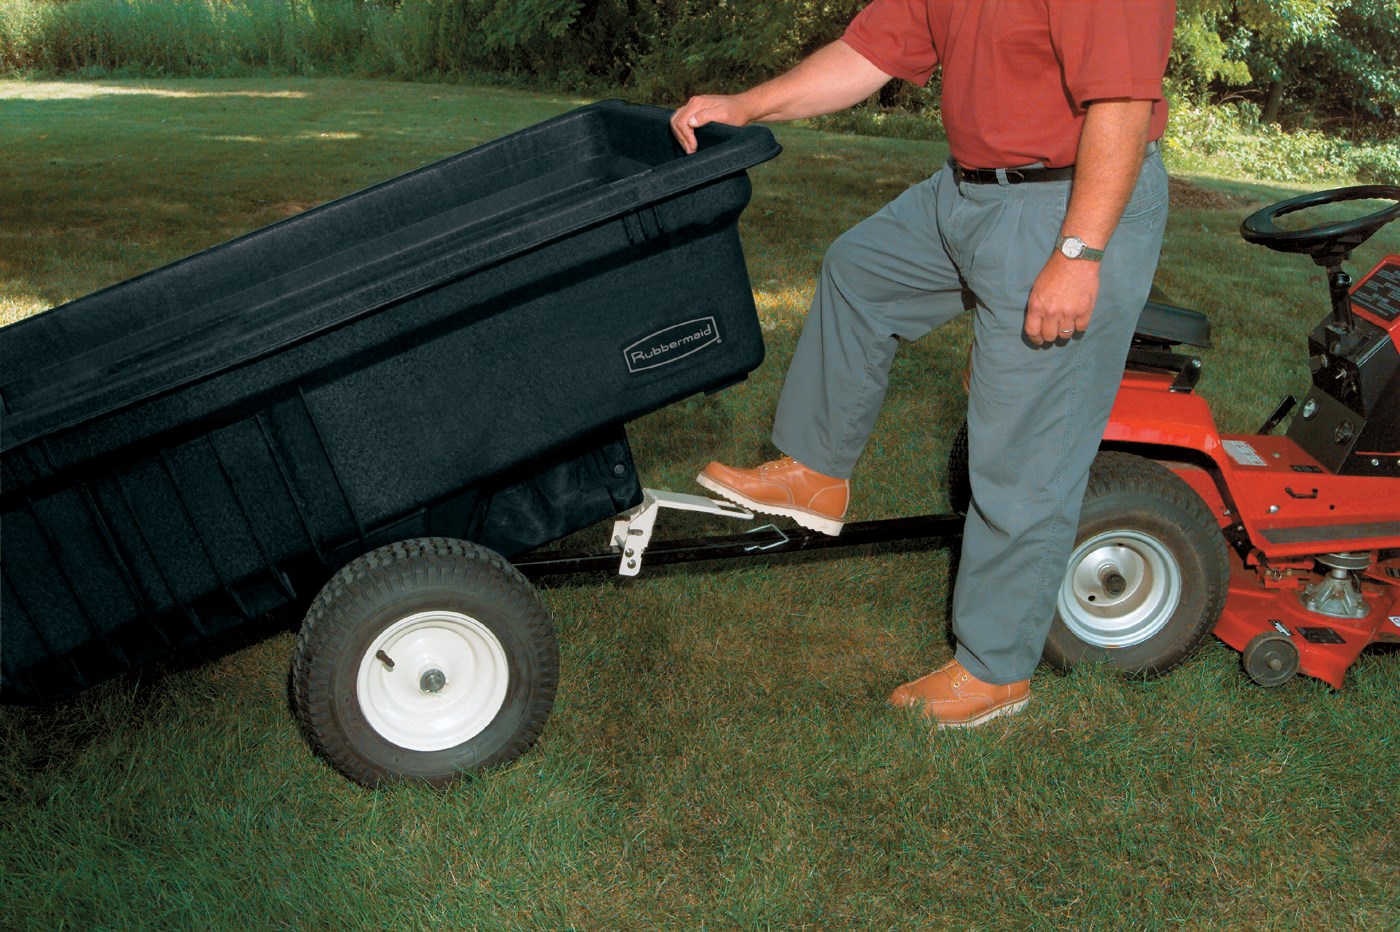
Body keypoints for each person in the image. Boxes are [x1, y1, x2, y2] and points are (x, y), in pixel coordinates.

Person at [670, 1, 1177, 727]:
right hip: (966, 194)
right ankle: (815, 472)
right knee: (861, 270)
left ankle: (994, 671)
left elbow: (1123, 105)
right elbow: (869, 53)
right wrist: (747, 105)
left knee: (1021, 454)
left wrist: (1078, 255)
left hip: (1068, 207)